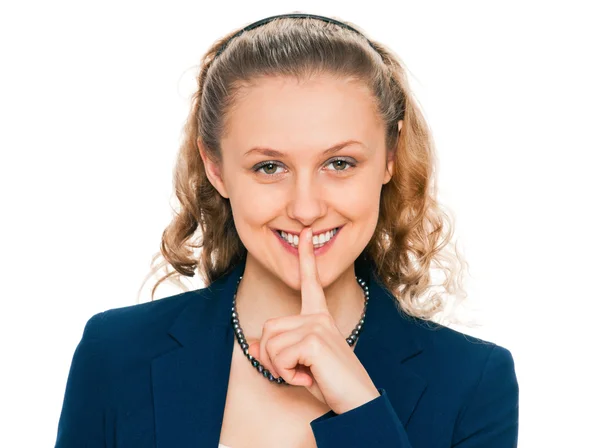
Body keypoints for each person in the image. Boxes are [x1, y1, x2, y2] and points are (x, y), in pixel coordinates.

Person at [54, 12, 519, 448]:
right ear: (215, 167)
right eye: (269, 166)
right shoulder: (114, 355)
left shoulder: (473, 382)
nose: (305, 207)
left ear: (390, 158)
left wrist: (360, 405)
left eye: (340, 163)